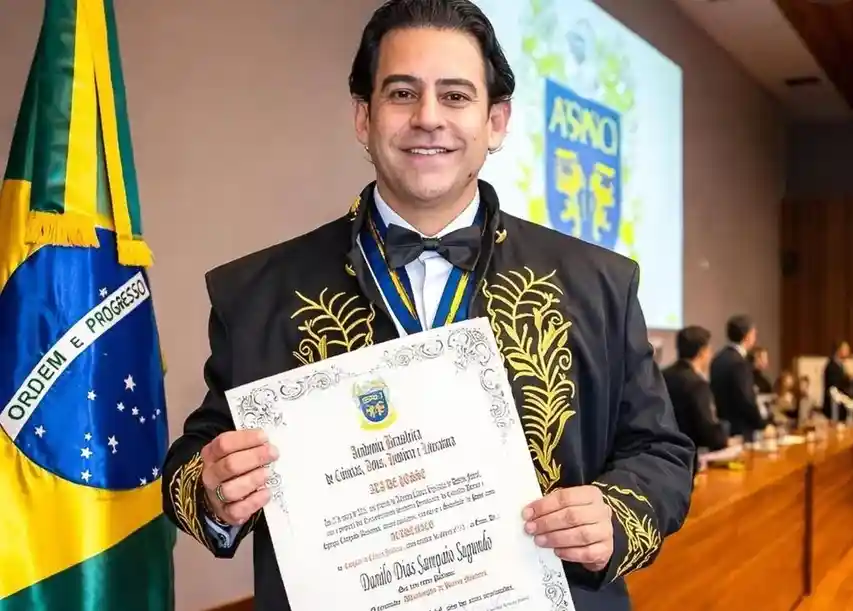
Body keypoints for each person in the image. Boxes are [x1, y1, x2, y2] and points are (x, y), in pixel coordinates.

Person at [159, 2, 695, 610]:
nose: (428, 118)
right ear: (363, 117)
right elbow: (193, 460)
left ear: (496, 121)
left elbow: (661, 452)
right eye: (402, 93)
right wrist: (212, 491)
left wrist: (615, 517)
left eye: (456, 96)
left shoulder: (598, 284)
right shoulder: (258, 294)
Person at [662, 326, 728, 469]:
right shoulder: (698, 384)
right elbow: (708, 430)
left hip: (662, 457)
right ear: (702, 352)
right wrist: (725, 438)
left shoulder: (661, 376)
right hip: (688, 460)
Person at [709, 314, 766, 440]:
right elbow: (746, 399)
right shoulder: (740, 363)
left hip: (722, 428)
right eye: (754, 333)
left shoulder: (717, 359)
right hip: (741, 429)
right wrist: (763, 424)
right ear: (747, 336)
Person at [823, 340, 852, 422]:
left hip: (842, 404)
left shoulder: (841, 365)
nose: (848, 352)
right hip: (834, 405)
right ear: (839, 350)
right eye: (846, 349)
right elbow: (834, 387)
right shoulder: (832, 366)